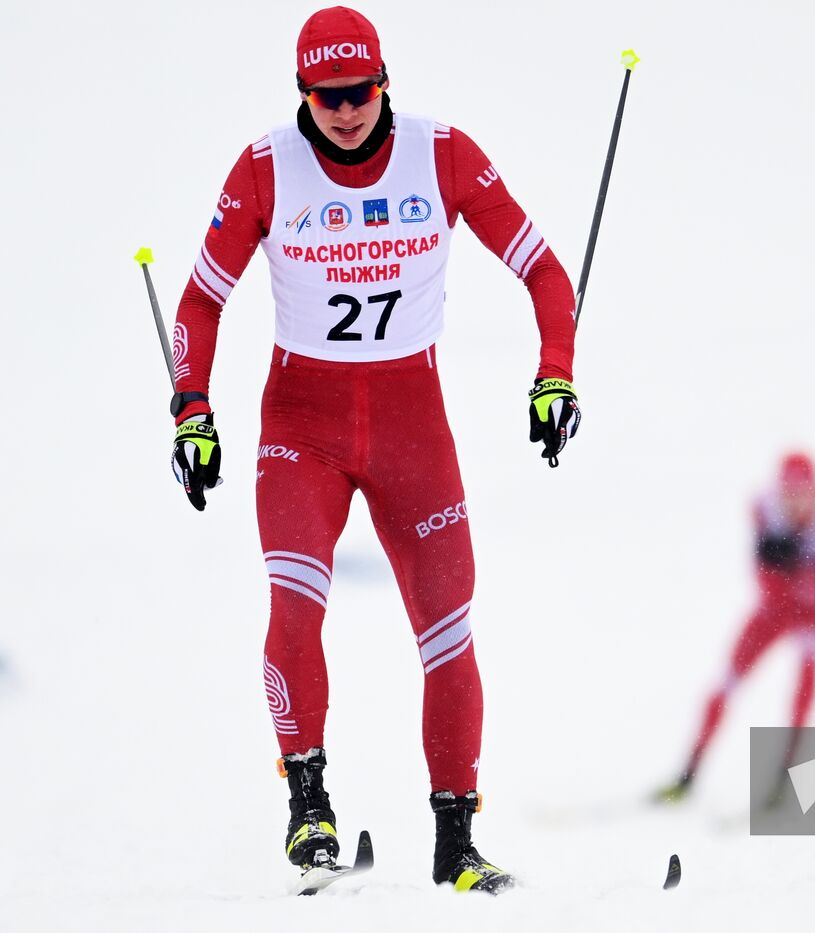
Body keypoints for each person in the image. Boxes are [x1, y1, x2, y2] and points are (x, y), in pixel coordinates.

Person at [167, 7, 582, 892]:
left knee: (449, 632)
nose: (346, 111)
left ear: (385, 82)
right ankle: (307, 806)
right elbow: (201, 301)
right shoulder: (266, 168)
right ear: (302, 94)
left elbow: (546, 270)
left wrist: (555, 375)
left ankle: (456, 843)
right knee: (295, 600)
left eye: (360, 93)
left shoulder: (444, 155)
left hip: (412, 429)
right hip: (302, 429)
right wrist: (192, 411)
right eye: (327, 97)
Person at [659, 454, 815, 802]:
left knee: (807, 668)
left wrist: (807, 569)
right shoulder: (764, 512)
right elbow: (767, 586)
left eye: (803, 494)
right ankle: (688, 773)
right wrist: (789, 568)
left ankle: (787, 776)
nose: (795, 503)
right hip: (778, 608)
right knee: (727, 679)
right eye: (788, 494)